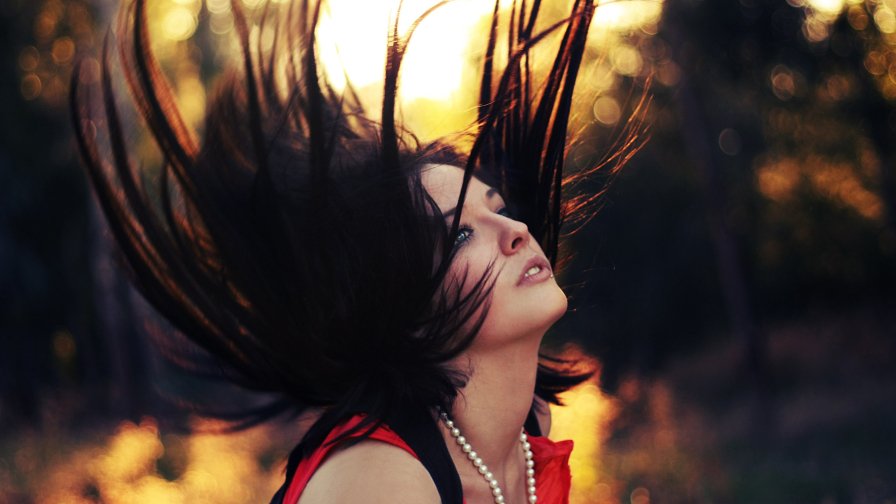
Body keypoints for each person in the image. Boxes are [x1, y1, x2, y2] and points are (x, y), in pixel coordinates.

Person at [71, 0, 642, 502]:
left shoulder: (526, 430)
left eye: (496, 206)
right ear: (410, 312)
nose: (514, 230)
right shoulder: (382, 481)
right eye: (461, 234)